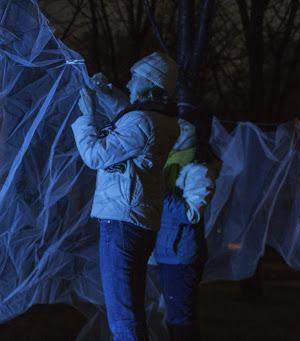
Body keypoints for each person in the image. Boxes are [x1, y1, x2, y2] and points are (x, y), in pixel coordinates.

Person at [71, 52, 180, 341]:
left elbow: (95, 155)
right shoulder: (160, 119)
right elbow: (129, 115)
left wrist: (87, 117)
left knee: (122, 314)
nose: (129, 82)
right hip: (136, 220)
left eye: (135, 77)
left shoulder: (144, 122)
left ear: (149, 83)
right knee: (128, 307)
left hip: (121, 222)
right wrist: (106, 92)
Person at [153, 106, 218, 341]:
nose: (174, 131)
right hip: (168, 252)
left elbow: (192, 214)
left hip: (180, 255)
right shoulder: (172, 162)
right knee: (173, 317)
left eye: (181, 127)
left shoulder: (198, 170)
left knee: (180, 319)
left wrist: (160, 190)